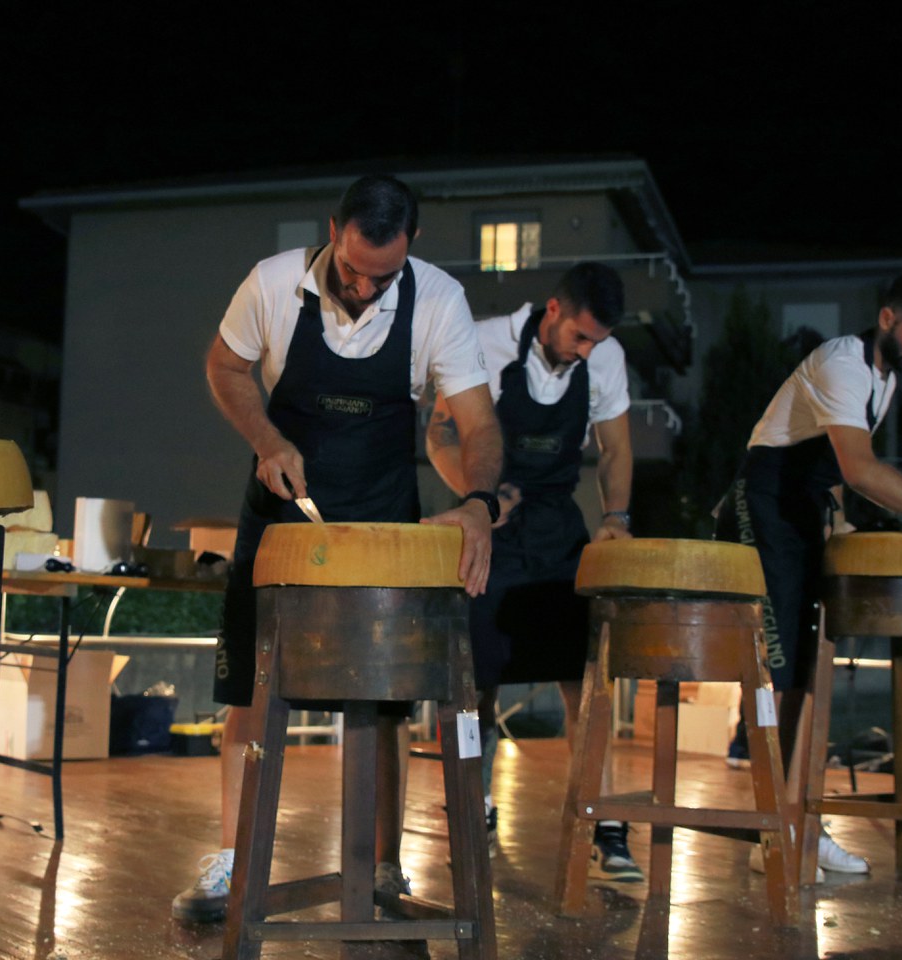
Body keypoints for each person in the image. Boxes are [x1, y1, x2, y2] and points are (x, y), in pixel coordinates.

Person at [174, 174, 503, 923]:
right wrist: (267, 439)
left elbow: (477, 425)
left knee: (385, 703)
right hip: (284, 510)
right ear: (334, 229)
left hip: (383, 518)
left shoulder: (439, 302)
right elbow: (224, 367)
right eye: (351, 268)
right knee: (254, 689)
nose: (361, 286)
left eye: (380, 275)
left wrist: (479, 505)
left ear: (408, 248)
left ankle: (383, 871)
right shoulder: (274, 283)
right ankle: (233, 862)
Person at [714, 268, 902, 877]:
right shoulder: (841, 362)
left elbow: (834, 471)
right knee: (776, 678)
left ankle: (794, 823)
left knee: (806, 674)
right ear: (887, 318)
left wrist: (836, 519)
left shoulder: (883, 376)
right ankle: (775, 831)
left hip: (802, 512)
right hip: (762, 506)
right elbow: (861, 469)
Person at [425, 263, 640, 881]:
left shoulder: (606, 358)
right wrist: (476, 500)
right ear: (552, 310)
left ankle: (605, 824)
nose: (587, 350)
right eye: (580, 336)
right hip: (491, 526)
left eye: (597, 340)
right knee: (478, 679)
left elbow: (617, 447)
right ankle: (474, 806)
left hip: (557, 530)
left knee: (587, 678)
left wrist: (617, 517)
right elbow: (440, 432)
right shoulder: (485, 341)